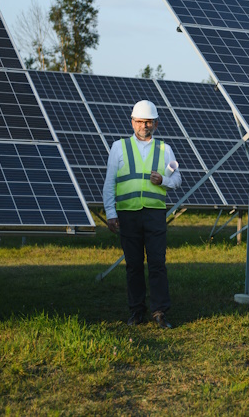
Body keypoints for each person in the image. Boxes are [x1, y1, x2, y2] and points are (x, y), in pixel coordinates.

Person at [103, 100, 182, 329]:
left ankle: (160, 312)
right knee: (134, 264)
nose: (143, 126)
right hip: (128, 214)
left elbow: (177, 179)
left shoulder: (165, 149)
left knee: (157, 263)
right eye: (139, 121)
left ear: (156, 124)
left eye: (148, 122)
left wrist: (163, 180)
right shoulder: (118, 147)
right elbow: (110, 183)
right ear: (132, 122)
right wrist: (110, 212)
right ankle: (136, 311)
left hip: (154, 214)